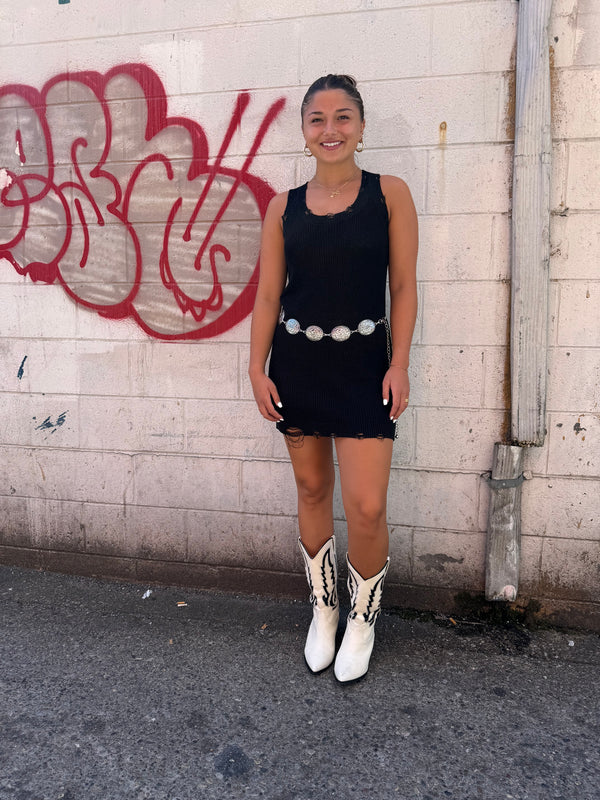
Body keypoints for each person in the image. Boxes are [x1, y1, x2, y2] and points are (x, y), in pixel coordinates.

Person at [249, 74, 418, 682]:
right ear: (303, 132)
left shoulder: (390, 195)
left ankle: (363, 621)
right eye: (317, 119)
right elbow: (268, 294)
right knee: (312, 491)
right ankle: (323, 613)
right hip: (297, 366)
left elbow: (402, 287)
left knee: (367, 507)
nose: (330, 129)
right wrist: (255, 366)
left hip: (365, 368)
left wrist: (399, 363)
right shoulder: (283, 206)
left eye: (343, 117)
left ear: (362, 128)